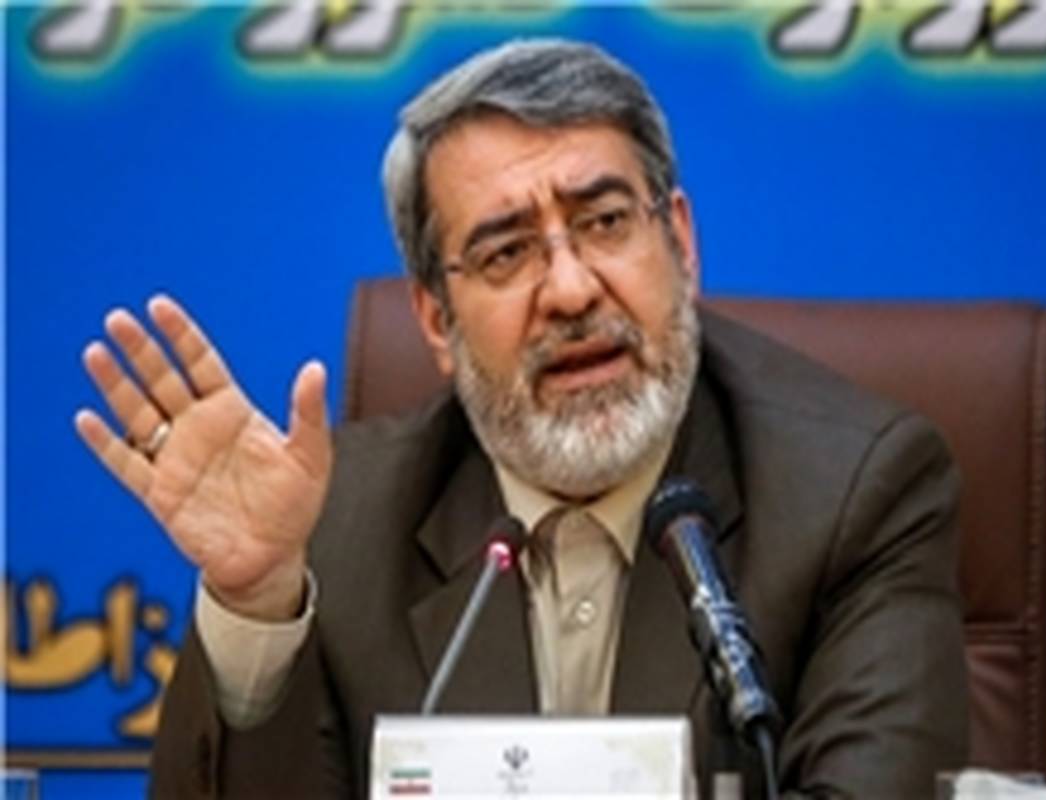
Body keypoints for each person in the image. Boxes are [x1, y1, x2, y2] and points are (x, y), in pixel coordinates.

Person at [76, 38, 967, 798]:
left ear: (681, 243)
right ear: (436, 319)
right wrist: (257, 603)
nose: (572, 290)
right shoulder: (336, 524)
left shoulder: (854, 494)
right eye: (505, 253)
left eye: (606, 222)